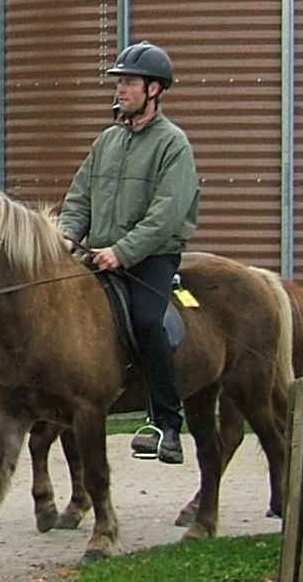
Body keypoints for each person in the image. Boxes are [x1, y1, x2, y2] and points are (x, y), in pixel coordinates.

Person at [58, 41, 200, 462]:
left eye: (130, 83)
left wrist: (122, 251)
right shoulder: (106, 142)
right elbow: (79, 196)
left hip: (150, 258)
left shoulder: (173, 145)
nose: (121, 90)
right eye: (119, 83)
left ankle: (166, 423)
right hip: (98, 252)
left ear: (154, 90)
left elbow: (167, 214)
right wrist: (67, 235)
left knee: (146, 320)